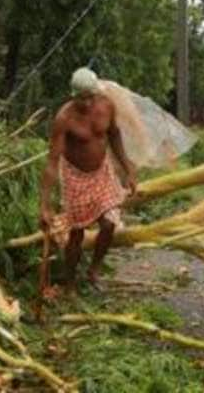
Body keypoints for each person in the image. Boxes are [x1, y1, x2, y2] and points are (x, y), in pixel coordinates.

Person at [38, 68, 137, 292]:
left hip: (102, 172)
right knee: (77, 233)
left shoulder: (106, 106)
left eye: (91, 97)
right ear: (74, 95)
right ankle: (70, 282)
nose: (88, 103)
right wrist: (44, 205)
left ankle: (94, 270)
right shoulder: (65, 118)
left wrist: (128, 169)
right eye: (82, 98)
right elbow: (53, 161)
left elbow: (114, 135)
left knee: (110, 224)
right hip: (75, 177)